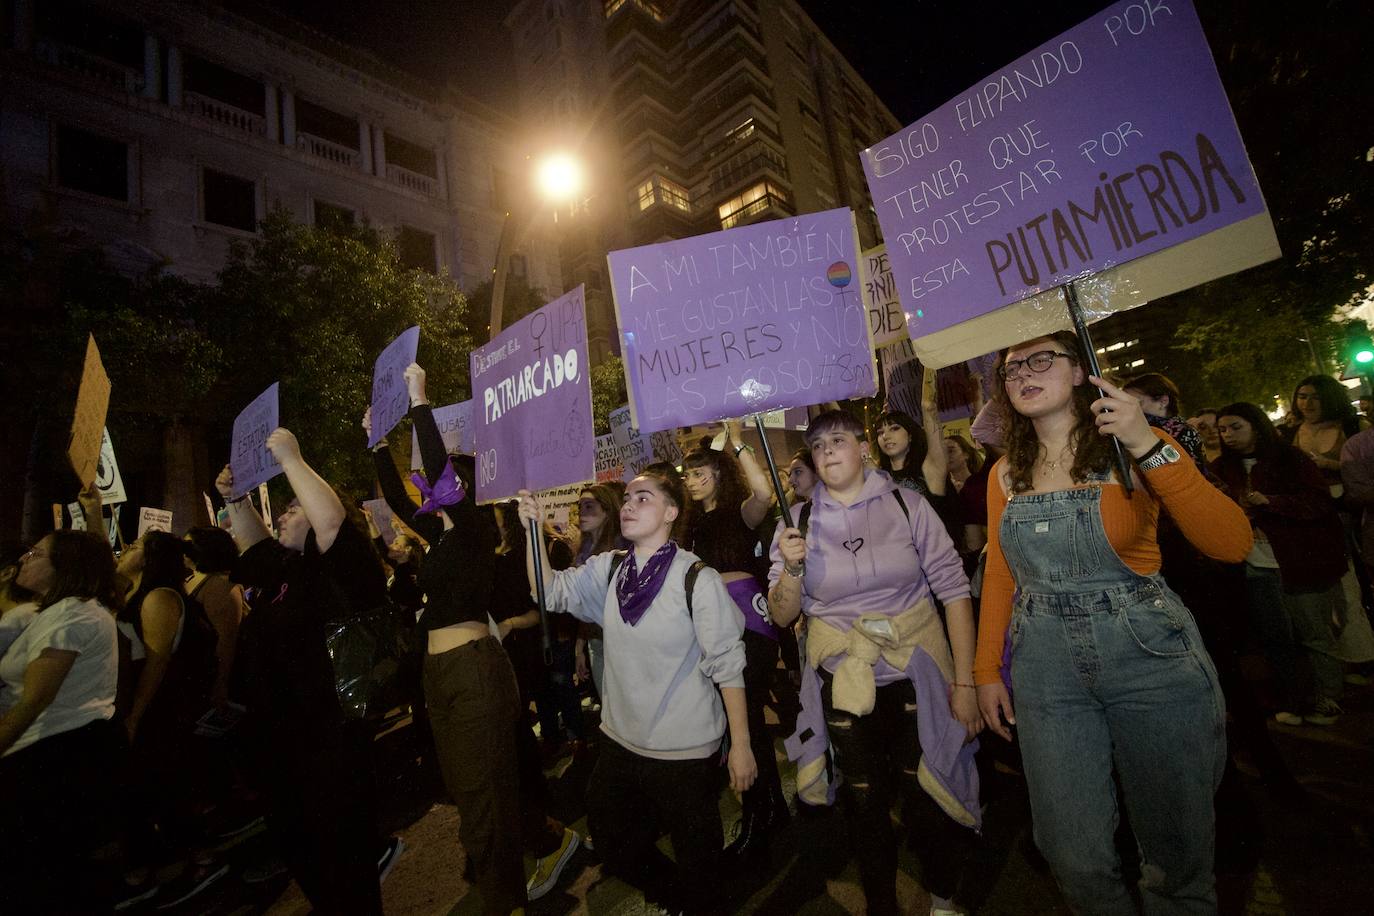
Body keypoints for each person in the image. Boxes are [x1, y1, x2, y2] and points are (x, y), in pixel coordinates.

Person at [975, 331, 1252, 915]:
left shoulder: (1133, 447)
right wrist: (985, 670)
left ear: (1080, 372)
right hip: (1045, 667)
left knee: (1176, 853)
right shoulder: (1004, 473)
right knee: (1071, 853)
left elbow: (1231, 544)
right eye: (1011, 367)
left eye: (1041, 359)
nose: (1023, 372)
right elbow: (1001, 572)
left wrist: (1147, 443)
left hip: (1148, 653)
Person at [769, 409, 982, 916]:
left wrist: (968, 682)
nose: (826, 453)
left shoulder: (908, 505)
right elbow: (782, 616)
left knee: (925, 789)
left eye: (837, 441)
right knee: (863, 801)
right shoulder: (795, 522)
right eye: (817, 447)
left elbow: (953, 591)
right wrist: (793, 568)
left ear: (863, 447)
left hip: (916, 673)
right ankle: (881, 902)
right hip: (844, 679)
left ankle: (942, 895)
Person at [519, 468, 755, 914]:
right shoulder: (609, 569)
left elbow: (728, 665)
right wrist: (531, 530)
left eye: (642, 498)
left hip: (684, 751)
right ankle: (675, 894)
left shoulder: (696, 579)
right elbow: (548, 592)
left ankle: (698, 900)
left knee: (698, 858)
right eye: (626, 498)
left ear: (671, 512)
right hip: (621, 740)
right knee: (611, 840)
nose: (627, 504)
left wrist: (740, 745)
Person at [392, 363, 581, 911]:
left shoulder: (473, 532)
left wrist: (419, 402)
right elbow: (401, 501)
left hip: (474, 669)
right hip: (441, 675)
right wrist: (374, 444)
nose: (427, 486)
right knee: (473, 787)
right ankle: (546, 839)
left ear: (460, 488)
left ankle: (503, 901)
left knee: (481, 800)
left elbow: (434, 463)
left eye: (440, 480)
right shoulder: (437, 534)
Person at [217, 429, 396, 915]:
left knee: (342, 865)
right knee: (306, 857)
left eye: (293, 509)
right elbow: (253, 550)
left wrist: (292, 458)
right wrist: (234, 499)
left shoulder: (339, 573)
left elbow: (333, 521)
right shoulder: (285, 571)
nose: (282, 515)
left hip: (329, 746)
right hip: (284, 747)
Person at [681, 421, 790, 863]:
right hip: (710, 624)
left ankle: (757, 818)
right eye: (686, 474)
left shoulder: (739, 513)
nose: (690, 480)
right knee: (742, 722)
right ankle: (769, 810)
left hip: (748, 618)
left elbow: (764, 493)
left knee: (742, 716)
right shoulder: (687, 528)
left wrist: (739, 439)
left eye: (698, 471)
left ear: (719, 474)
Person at [0, 530, 123, 913]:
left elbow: (34, 699)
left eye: (37, 553)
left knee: (49, 879)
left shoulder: (72, 614)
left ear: (63, 566)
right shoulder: (59, 612)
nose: (26, 559)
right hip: (56, 754)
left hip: (54, 760)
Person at [1213, 402, 1348, 726]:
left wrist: (1271, 503)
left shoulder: (1290, 459)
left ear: (1256, 426)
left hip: (1297, 559)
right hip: (1253, 564)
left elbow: (1317, 502)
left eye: (1235, 427)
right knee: (1276, 638)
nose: (1227, 435)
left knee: (1313, 632)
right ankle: (1294, 698)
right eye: (1223, 429)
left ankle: (1329, 697)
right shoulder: (1221, 469)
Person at [115, 530, 227, 909]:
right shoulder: (133, 593)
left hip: (161, 708)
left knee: (168, 783)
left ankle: (202, 861)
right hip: (153, 707)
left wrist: (135, 713)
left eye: (135, 547)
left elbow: (157, 660)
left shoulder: (159, 597)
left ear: (149, 559)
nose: (127, 549)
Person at [572, 484, 626, 699]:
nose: (582, 513)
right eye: (580, 507)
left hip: (621, 643)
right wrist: (579, 647)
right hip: (596, 641)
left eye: (590, 506)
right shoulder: (583, 551)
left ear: (607, 511)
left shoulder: (620, 550)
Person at [1124, 372, 1206, 464]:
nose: (1131, 409)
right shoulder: (1133, 432)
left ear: (1163, 402)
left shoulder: (1185, 433)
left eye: (1138, 403)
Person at [944, 434, 990, 559]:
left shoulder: (981, 484)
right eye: (942, 452)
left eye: (951, 450)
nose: (946, 456)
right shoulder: (943, 492)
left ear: (966, 454)